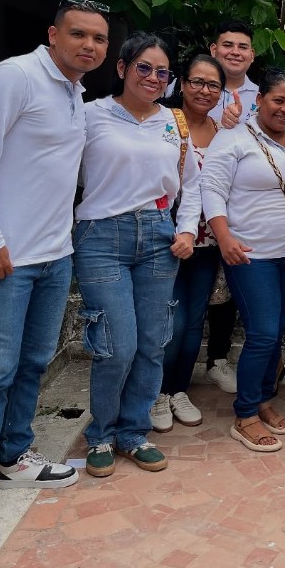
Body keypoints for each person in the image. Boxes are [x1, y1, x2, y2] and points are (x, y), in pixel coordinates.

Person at [0, 0, 109, 555]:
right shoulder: (13, 77)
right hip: (1, 257)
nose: (89, 45)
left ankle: (14, 454)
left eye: (98, 38)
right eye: (78, 34)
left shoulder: (74, 91)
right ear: (53, 34)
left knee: (34, 361)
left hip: (52, 254)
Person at [75, 31, 202, 478]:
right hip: (101, 237)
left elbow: (193, 183)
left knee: (152, 344)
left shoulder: (174, 122)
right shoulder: (89, 115)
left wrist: (187, 229)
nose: (152, 77)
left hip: (157, 238)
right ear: (123, 68)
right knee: (116, 346)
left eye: (162, 71)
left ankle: (133, 432)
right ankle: (101, 436)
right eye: (144, 67)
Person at [202, 69, 285, 452]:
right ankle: (245, 415)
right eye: (278, 101)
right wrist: (224, 238)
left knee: (276, 328)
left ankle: (263, 399)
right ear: (260, 100)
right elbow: (212, 188)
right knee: (263, 333)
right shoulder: (234, 138)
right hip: (250, 254)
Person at [150, 54, 226, 433]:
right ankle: (158, 393)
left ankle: (179, 389)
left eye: (213, 85)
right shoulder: (164, 122)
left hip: (208, 241)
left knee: (195, 319)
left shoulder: (222, 131)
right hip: (167, 239)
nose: (204, 90)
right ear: (181, 83)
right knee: (172, 320)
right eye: (197, 82)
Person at [202, 20, 260, 394]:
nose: (235, 52)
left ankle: (218, 359)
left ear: (252, 54)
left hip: (247, 207)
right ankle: (181, 370)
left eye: (242, 46)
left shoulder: (263, 92)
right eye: (228, 45)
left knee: (232, 288)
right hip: (198, 204)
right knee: (198, 289)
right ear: (213, 49)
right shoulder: (195, 87)